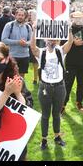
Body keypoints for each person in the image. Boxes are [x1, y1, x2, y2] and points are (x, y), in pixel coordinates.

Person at [30, 21, 73, 150]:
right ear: (45, 39)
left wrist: (69, 29)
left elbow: (70, 42)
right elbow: (32, 47)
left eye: (54, 39)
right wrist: (34, 31)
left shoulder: (60, 51)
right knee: (45, 115)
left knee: (56, 114)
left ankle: (57, 136)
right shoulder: (41, 52)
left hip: (59, 87)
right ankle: (44, 139)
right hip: (45, 88)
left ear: (57, 40)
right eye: (49, 39)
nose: (52, 41)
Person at [63, 11, 83, 114]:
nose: (78, 19)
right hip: (71, 62)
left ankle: (79, 102)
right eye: (76, 18)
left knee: (81, 84)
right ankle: (63, 104)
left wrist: (82, 43)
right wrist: (73, 42)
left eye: (80, 18)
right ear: (72, 18)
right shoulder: (68, 30)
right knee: (68, 84)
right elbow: (62, 43)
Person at [1, 8, 32, 79]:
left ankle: (20, 90)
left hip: (24, 56)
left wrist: (26, 43)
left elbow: (31, 41)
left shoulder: (28, 27)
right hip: (12, 55)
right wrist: (18, 42)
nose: (20, 17)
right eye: (19, 15)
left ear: (25, 16)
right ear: (15, 15)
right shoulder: (9, 25)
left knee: (21, 77)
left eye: (22, 15)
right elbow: (4, 39)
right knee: (10, 76)